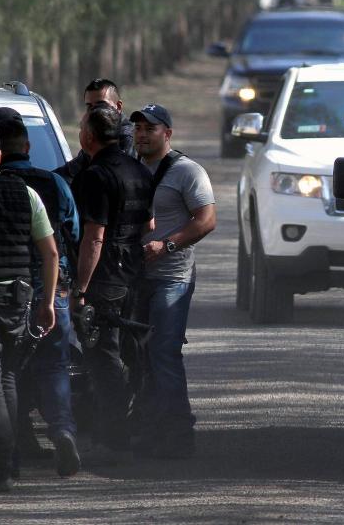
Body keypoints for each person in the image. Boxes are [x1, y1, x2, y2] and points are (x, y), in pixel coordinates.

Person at [0, 124, 57, 491]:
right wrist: (47, 302)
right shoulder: (26, 193)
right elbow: (49, 252)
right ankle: (6, 462)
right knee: (6, 377)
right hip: (18, 299)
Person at [0, 108, 81, 477]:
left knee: (6, 371)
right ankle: (61, 430)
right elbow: (72, 233)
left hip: (3, 293)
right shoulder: (54, 183)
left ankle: (14, 441)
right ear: (27, 145)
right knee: (54, 365)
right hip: (51, 290)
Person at [130, 104, 216, 458]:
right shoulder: (130, 169)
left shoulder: (187, 171)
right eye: (137, 128)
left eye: (150, 128)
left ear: (167, 133)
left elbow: (207, 219)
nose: (142, 134)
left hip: (172, 277)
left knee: (164, 352)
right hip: (135, 278)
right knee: (142, 356)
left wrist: (166, 245)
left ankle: (180, 433)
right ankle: (151, 429)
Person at [71, 105, 154, 460]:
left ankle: (114, 439)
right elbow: (149, 225)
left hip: (105, 277)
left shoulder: (96, 175)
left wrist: (80, 288)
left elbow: (94, 237)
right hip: (134, 273)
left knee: (103, 358)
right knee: (125, 355)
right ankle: (127, 430)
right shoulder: (139, 169)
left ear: (88, 136)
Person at [54, 78, 135, 186]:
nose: (94, 111)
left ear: (118, 106)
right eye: (89, 106)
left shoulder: (128, 137)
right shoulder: (96, 134)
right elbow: (72, 169)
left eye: (101, 105)